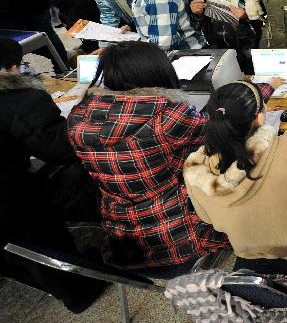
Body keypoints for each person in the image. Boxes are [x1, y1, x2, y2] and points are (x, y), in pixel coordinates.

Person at [68, 42, 246, 268]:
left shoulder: (79, 116)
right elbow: (223, 131)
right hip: (177, 233)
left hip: (123, 236)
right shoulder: (168, 116)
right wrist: (259, 91)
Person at [184, 82, 287, 278]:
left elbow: (207, 218)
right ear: (261, 117)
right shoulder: (286, 148)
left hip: (251, 252)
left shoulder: (195, 170)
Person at [0, 38, 106, 313]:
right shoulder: (16, 98)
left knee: (14, 251)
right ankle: (79, 288)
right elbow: (60, 147)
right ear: (11, 67)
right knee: (38, 237)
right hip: (9, 195)